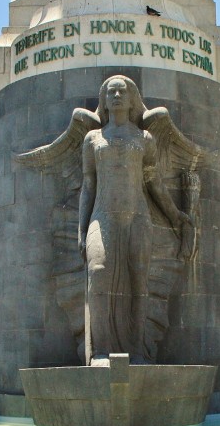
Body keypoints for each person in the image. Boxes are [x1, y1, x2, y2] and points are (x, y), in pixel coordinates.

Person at [78, 76, 192, 363]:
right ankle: (101, 351)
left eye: (123, 91)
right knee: (99, 273)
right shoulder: (92, 139)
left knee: (138, 280)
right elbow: (88, 185)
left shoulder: (145, 139)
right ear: (103, 100)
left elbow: (154, 182)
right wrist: (81, 230)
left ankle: (137, 351)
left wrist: (174, 214)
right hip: (101, 218)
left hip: (138, 218)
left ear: (132, 100)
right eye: (111, 91)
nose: (117, 95)